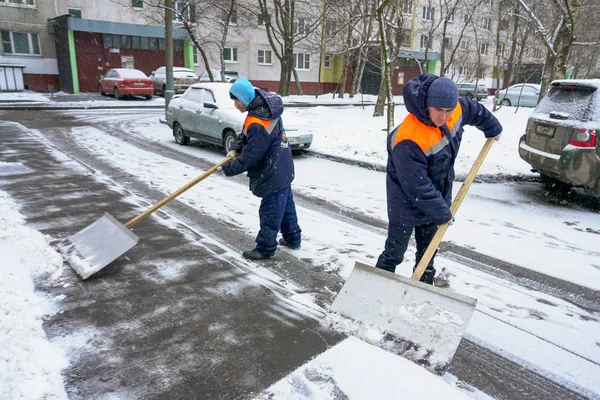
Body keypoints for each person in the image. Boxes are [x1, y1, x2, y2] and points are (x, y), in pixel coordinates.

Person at [375, 73, 502, 284]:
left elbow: (476, 110)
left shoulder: (455, 110)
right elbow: (417, 186)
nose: (444, 117)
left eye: (448, 111)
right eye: (438, 110)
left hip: (436, 199)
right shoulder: (408, 138)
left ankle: (424, 286)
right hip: (405, 203)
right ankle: (376, 285)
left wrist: (493, 128)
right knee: (395, 252)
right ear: (426, 105)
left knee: (428, 253)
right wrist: (443, 212)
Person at [221, 78, 302, 260]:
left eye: (236, 100)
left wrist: (228, 168)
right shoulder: (263, 109)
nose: (235, 105)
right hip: (282, 166)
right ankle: (293, 238)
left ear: (244, 97)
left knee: (270, 211)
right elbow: (245, 135)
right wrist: (234, 147)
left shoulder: (259, 120)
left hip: (272, 171)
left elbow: (250, 156)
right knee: (286, 206)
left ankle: (265, 248)